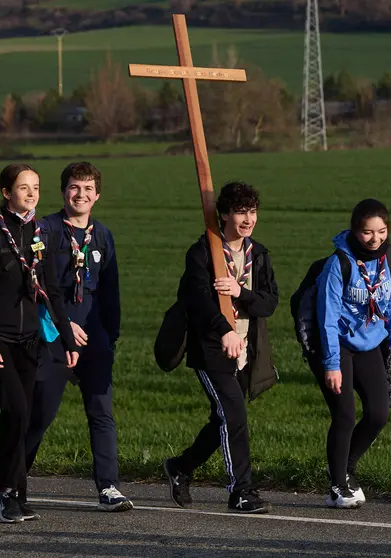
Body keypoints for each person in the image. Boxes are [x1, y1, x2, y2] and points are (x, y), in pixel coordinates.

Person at [0, 163, 79, 523]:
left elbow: (52, 290)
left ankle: (18, 492)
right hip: (0, 340)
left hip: (30, 341)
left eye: (36, 187)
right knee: (17, 413)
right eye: (23, 188)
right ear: (7, 192)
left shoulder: (40, 232)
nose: (31, 193)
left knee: (23, 418)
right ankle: (6, 492)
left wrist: (67, 339)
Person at [162, 182, 279, 515]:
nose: (247, 219)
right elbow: (196, 301)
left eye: (252, 211)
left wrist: (239, 292)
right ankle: (241, 491)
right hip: (211, 348)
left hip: (246, 350)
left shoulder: (259, 254)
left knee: (223, 420)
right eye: (241, 211)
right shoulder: (202, 252)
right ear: (225, 214)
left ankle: (181, 467)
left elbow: (269, 303)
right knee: (234, 414)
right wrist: (225, 329)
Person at [24, 162, 132, 513]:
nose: (80, 194)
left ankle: (109, 486)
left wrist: (109, 337)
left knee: (101, 411)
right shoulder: (46, 229)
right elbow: (35, 284)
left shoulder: (103, 235)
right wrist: (63, 323)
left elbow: (111, 290)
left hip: (94, 340)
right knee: (42, 410)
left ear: (97, 195)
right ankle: (14, 479)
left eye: (87, 189)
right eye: (74, 188)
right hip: (54, 335)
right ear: (63, 192)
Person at [310, 198, 391, 509]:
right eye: (367, 232)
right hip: (337, 344)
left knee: (379, 413)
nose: (375, 238)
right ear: (355, 231)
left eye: (381, 231)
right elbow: (326, 316)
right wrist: (331, 364)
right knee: (344, 413)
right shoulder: (338, 264)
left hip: (370, 343)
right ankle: (337, 485)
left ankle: (344, 466)